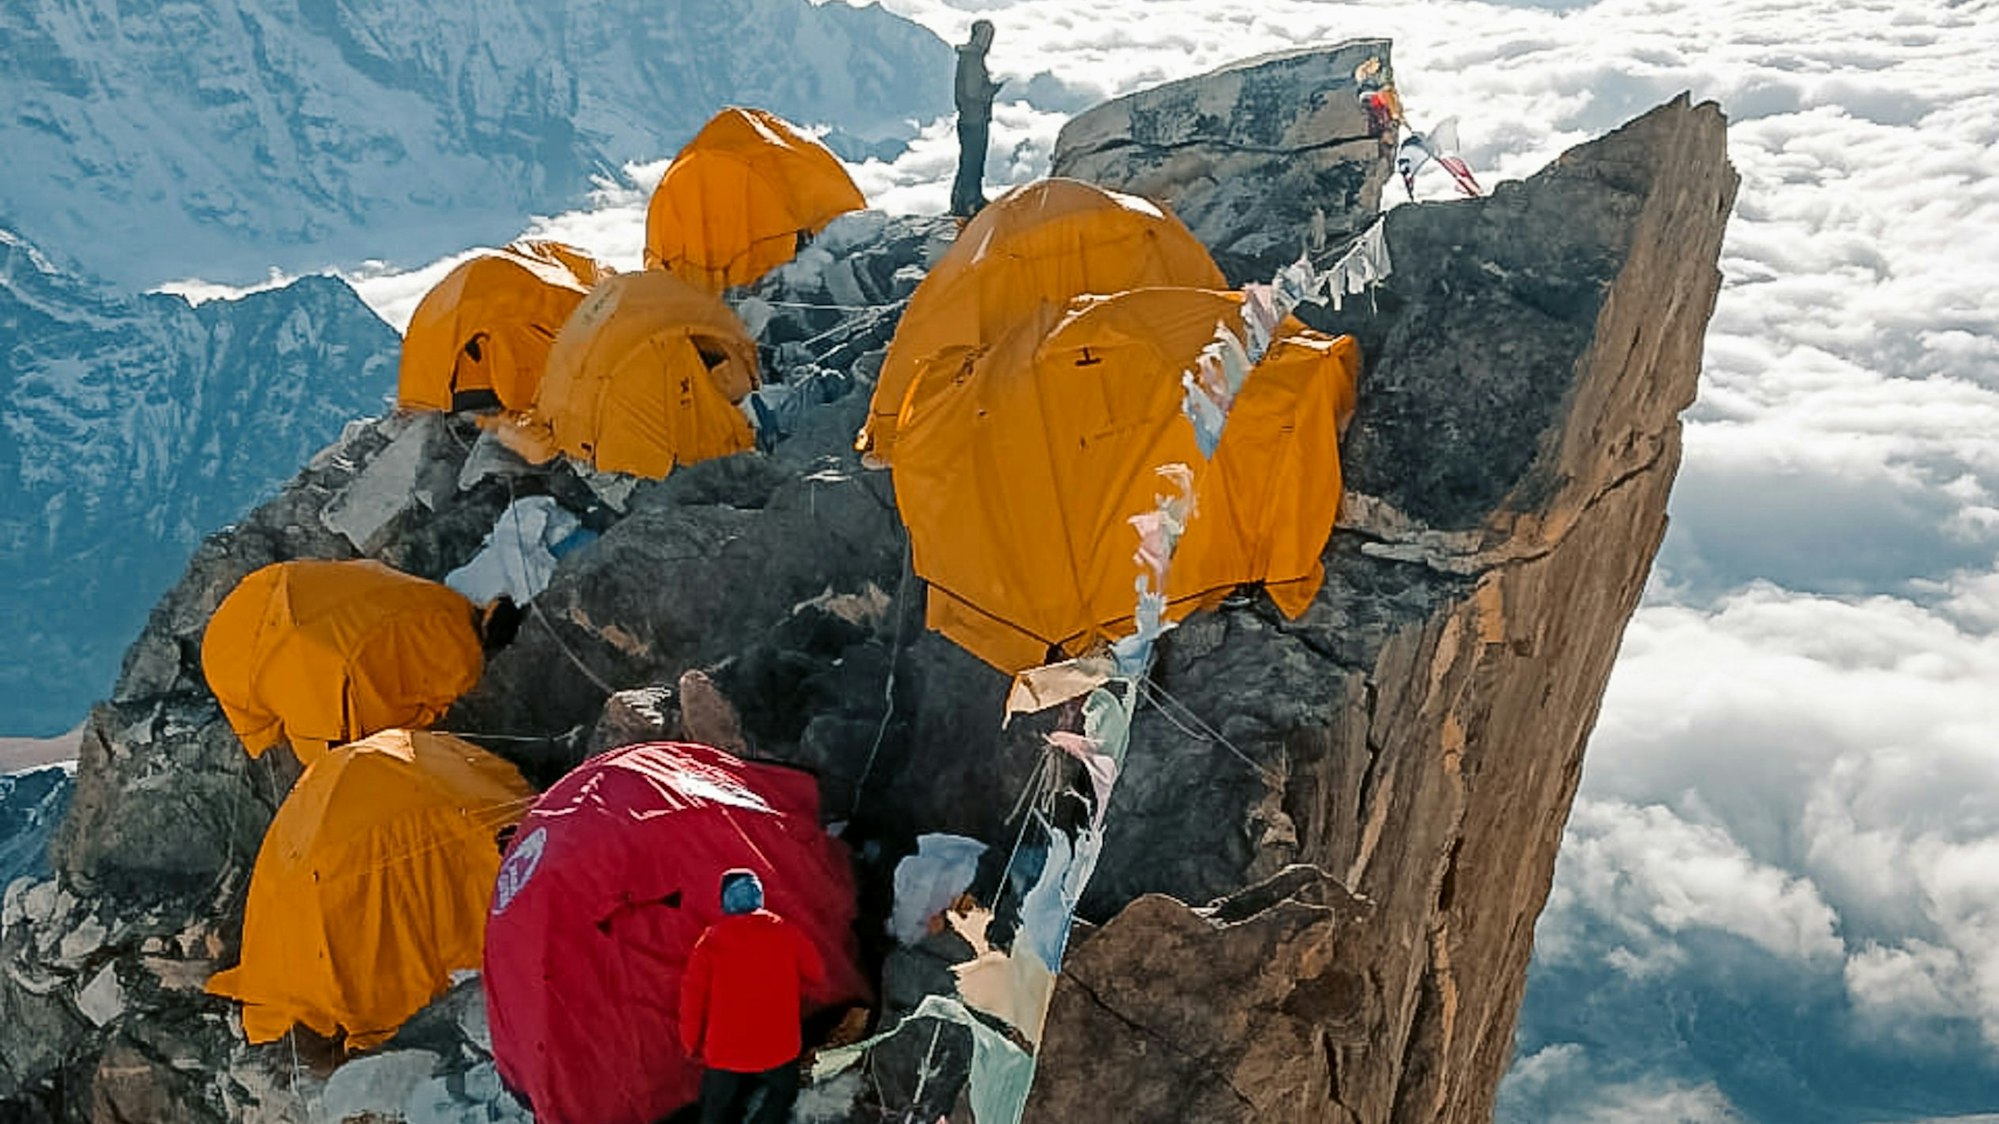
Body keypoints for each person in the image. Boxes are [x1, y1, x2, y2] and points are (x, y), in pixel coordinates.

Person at [680, 869, 827, 1124]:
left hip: (726, 1050)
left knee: (715, 1106)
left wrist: (690, 1042)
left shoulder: (710, 941)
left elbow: (693, 999)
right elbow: (817, 974)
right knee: (783, 1092)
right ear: (759, 896)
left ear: (725, 899)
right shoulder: (787, 931)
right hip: (778, 1047)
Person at [949, 20, 1003, 217]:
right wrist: (991, 90)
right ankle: (970, 202)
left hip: (969, 118)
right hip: (974, 119)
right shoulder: (973, 59)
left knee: (968, 161)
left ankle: (961, 201)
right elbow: (973, 92)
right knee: (973, 162)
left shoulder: (969, 57)